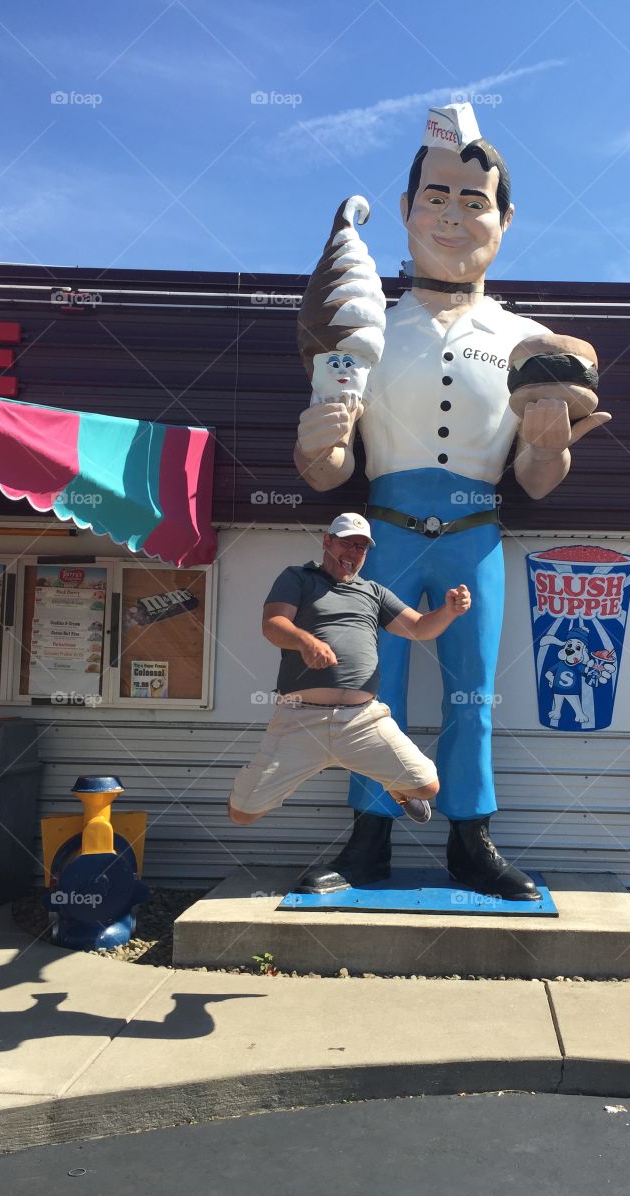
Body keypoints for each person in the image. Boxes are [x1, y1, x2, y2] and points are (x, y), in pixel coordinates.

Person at [293, 104, 608, 901]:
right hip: (382, 536)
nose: (453, 216)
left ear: (505, 219)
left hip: (474, 532)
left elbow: (535, 483)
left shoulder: (529, 342)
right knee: (370, 693)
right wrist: (314, 440)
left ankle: (473, 841)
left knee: (473, 694)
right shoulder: (363, 331)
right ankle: (368, 842)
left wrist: (548, 443)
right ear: (403, 211)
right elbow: (330, 475)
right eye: (436, 197)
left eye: (475, 202)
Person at [227, 513, 472, 895]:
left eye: (361, 546)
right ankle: (259, 773)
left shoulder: (373, 592)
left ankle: (398, 787)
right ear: (327, 541)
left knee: (428, 786)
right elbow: (272, 624)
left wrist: (450, 611)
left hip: (363, 721)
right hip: (299, 721)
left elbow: (420, 628)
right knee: (241, 814)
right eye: (346, 542)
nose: (353, 551)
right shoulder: (297, 577)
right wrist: (305, 642)